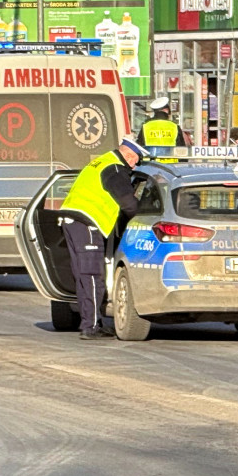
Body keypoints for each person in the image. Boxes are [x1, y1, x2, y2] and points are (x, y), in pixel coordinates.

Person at [60, 139, 144, 339]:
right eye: (136, 162)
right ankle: (91, 326)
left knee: (82, 276)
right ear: (130, 156)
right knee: (91, 276)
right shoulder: (115, 169)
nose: (135, 166)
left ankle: (89, 322)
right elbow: (128, 203)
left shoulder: (103, 161)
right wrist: (143, 218)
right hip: (87, 221)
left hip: (72, 219)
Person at [136, 96, 188, 161]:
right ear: (166, 110)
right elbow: (181, 150)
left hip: (150, 166)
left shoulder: (145, 126)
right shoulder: (174, 126)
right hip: (171, 166)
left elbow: (139, 147)